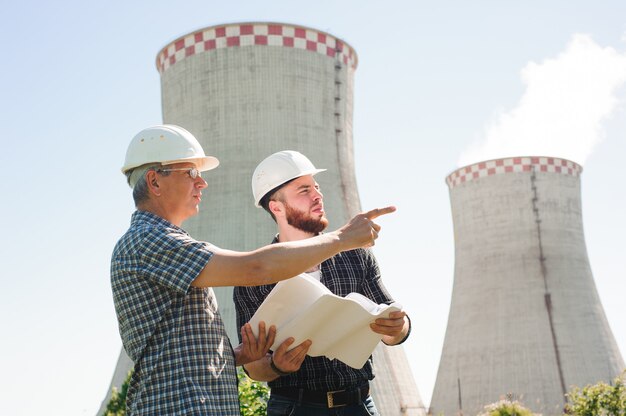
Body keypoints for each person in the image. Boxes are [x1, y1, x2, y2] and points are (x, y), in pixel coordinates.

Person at [111, 125, 394, 415]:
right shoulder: (149, 240)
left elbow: (179, 351)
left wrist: (238, 355)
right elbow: (256, 268)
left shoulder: (167, 243)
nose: (202, 183)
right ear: (154, 182)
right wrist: (342, 238)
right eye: (191, 173)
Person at [233, 150, 411, 415]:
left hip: (359, 405)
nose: (318, 195)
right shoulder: (255, 275)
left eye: (316, 187)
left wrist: (397, 327)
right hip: (295, 407)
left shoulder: (356, 256)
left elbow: (395, 324)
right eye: (304, 190)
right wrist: (276, 366)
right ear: (277, 207)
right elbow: (253, 367)